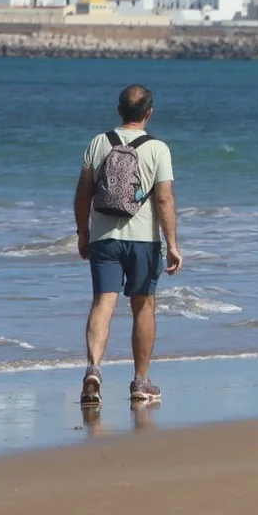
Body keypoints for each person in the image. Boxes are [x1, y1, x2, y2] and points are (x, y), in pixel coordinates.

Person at [74, 84, 182, 404]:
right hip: (143, 241)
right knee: (143, 306)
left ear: (119, 111)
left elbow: (83, 194)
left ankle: (93, 368)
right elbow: (163, 199)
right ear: (149, 113)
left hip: (104, 238)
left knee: (103, 304)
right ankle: (140, 381)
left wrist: (83, 232)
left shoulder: (99, 143)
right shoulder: (158, 148)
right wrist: (172, 243)